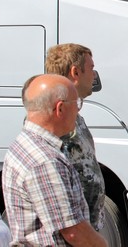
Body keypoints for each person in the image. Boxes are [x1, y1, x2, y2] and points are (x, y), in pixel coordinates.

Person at [2, 74, 107, 246]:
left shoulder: (25, 143)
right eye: (77, 104)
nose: (78, 110)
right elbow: (73, 232)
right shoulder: (45, 161)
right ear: (60, 109)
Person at [45, 43, 106, 231]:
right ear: (75, 72)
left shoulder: (73, 116)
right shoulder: (55, 118)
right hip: (73, 232)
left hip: (86, 228)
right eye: (91, 68)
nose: (94, 75)